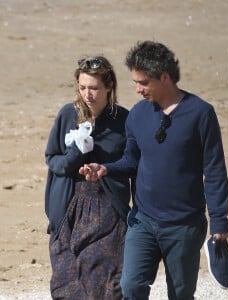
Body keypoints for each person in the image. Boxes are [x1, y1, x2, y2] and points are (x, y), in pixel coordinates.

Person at [80, 41, 228, 300]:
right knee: (131, 288)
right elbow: (131, 161)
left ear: (164, 77)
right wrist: (105, 168)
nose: (137, 89)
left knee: (181, 294)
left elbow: (215, 170)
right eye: (135, 82)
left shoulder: (201, 114)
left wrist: (219, 221)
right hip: (143, 222)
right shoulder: (137, 115)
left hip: (184, 225)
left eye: (143, 82)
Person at [44, 54, 131, 299]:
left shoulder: (124, 120)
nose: (87, 94)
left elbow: (134, 165)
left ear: (109, 86)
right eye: (82, 87)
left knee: (102, 285)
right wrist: (76, 152)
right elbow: (53, 161)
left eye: (94, 88)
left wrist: (106, 169)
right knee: (66, 284)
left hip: (108, 211)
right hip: (67, 209)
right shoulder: (67, 115)